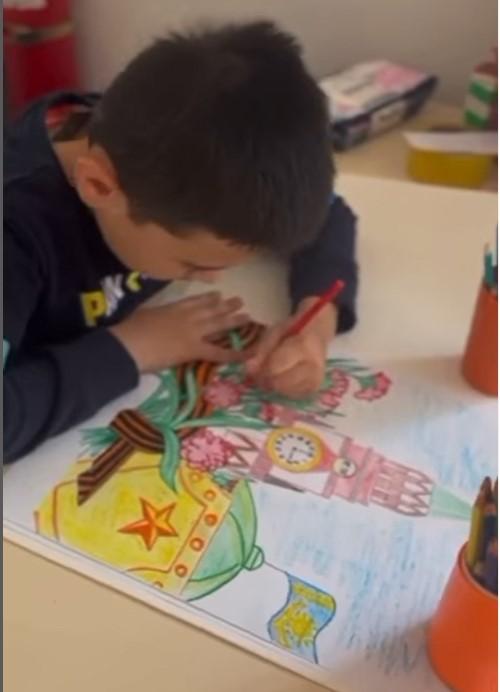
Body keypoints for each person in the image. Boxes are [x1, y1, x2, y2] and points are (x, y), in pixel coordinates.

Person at [4, 21, 358, 463]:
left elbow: (328, 216)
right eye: (193, 264)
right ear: (98, 186)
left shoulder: (155, 150)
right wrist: (134, 346)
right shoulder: (16, 235)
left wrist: (315, 322)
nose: (213, 279)